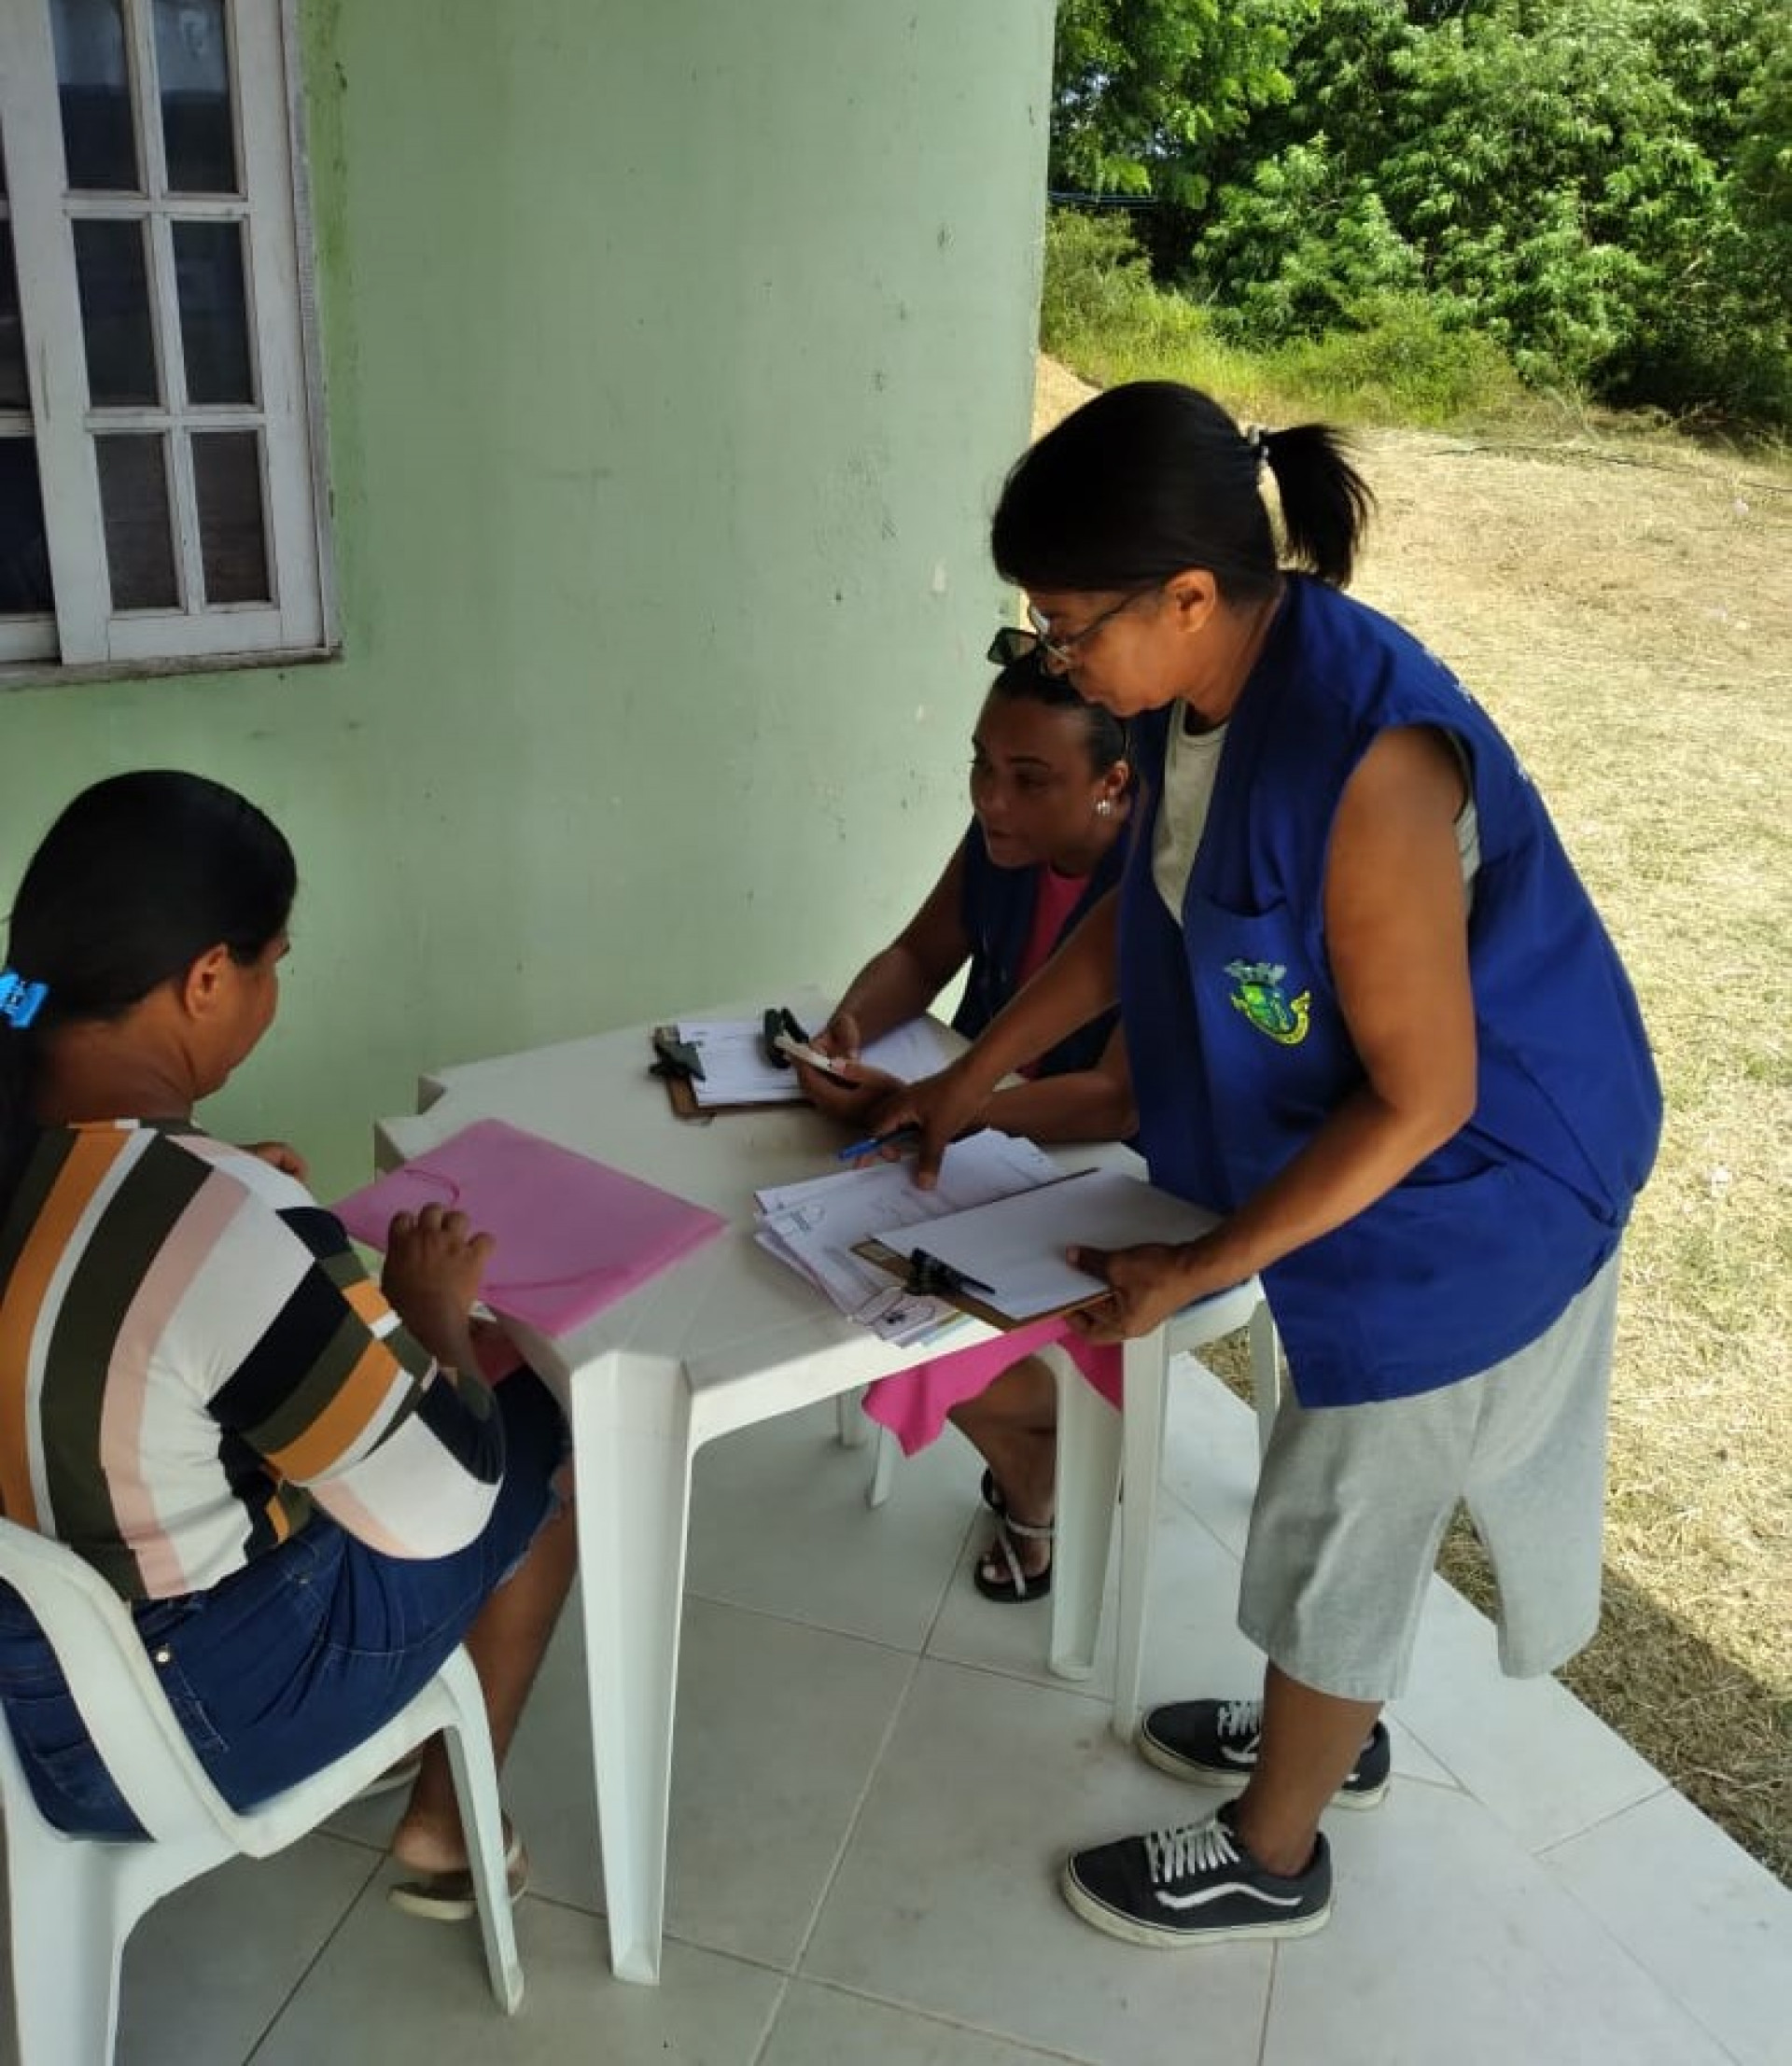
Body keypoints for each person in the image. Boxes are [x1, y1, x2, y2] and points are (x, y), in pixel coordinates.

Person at [878, 382, 1662, 1947]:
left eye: (1064, 622)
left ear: (1186, 595)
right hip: (1360, 1152)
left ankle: (1275, 1843)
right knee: (1327, 1469)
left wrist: (1203, 1262)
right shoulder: (1192, 694)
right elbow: (1145, 910)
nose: (1052, 655)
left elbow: (1428, 1094)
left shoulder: (1368, 759)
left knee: (1344, 1504)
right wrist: (970, 1070)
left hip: (1474, 1181)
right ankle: (1333, 1726)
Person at [0, 771, 575, 1921]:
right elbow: (443, 1510)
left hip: (23, 1689)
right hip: (165, 1721)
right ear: (208, 975)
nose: (273, 999)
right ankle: (448, 1821)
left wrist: (211, 1191)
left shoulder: (47, 1116)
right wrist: (432, 1314)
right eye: (274, 968)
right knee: (540, 1448)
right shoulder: (216, 1217)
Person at [794, 649, 1135, 1599]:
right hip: (994, 1137)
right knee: (835, 1259)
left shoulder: (1161, 882)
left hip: (1113, 1171)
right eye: (982, 765)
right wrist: (851, 1025)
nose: (994, 799)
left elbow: (1116, 1101)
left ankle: (1048, 1461)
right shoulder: (1004, 844)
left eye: (1030, 779)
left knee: (913, 1317)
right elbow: (918, 951)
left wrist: (947, 1106)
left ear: (1114, 784)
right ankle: (1047, 1445)